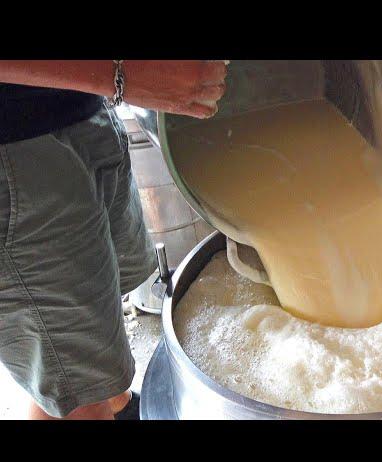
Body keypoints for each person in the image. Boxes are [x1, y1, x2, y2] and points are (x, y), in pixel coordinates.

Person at [0, 60, 227, 420]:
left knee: (84, 343)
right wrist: (119, 74)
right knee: (76, 390)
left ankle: (121, 408)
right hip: (15, 149)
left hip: (81, 104)